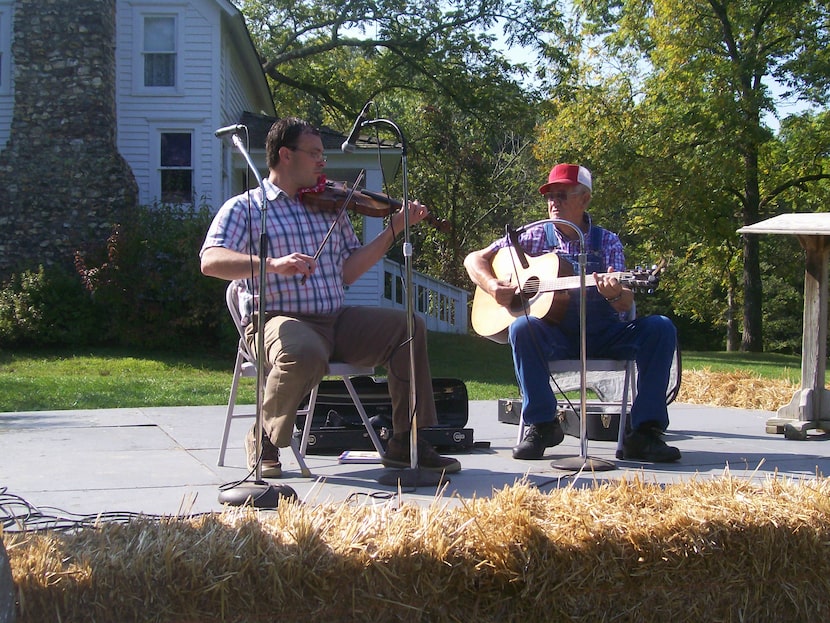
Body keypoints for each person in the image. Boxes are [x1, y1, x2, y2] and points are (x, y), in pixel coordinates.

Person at [200, 117, 460, 477]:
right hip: (276, 320)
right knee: (303, 351)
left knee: (408, 327)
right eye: (315, 153)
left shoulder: (328, 209)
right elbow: (210, 261)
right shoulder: (246, 208)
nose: (323, 161)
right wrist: (272, 264)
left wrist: (393, 231)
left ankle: (406, 441)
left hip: (335, 320)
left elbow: (348, 271)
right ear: (286, 155)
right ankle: (265, 438)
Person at [464, 163, 680, 462]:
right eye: (550, 195)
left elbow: (624, 303)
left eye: (563, 195)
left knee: (661, 327)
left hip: (606, 334)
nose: (554, 202)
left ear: (585, 199)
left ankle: (644, 433)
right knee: (521, 328)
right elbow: (474, 259)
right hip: (557, 334)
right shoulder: (534, 236)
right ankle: (542, 425)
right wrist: (491, 284)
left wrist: (616, 292)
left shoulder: (607, 242)